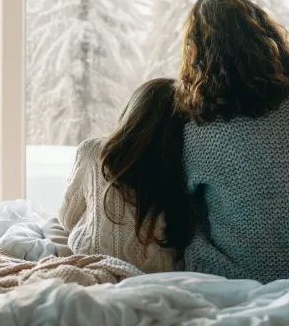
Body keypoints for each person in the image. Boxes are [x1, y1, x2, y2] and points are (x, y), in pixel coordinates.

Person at [175, 0, 289, 283]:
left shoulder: (200, 127)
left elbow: (188, 207)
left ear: (198, 54)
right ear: (266, 36)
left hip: (242, 277)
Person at [58, 78, 194, 273]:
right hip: (161, 272)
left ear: (132, 111)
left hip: (92, 261)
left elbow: (67, 218)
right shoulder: (184, 164)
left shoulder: (92, 151)